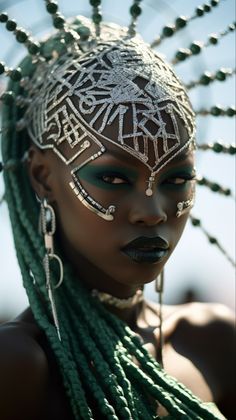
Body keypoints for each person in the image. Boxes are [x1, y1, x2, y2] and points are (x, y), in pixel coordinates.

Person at [0, 4, 235, 420]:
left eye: (177, 179)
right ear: (42, 176)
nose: (152, 212)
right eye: (113, 179)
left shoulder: (215, 340)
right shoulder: (18, 366)